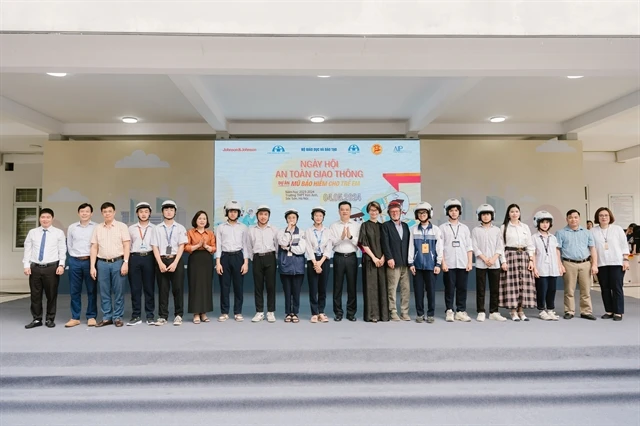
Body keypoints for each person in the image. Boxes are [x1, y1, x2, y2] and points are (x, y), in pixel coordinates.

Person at [23, 208, 66, 329]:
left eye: (48, 217)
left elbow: (62, 250)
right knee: (35, 295)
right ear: (39, 218)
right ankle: (37, 319)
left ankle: (50, 319)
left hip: (51, 268)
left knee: (51, 295)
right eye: (43, 217)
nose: (45, 219)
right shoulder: (33, 232)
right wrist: (26, 265)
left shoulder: (58, 233)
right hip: (35, 268)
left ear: (52, 219)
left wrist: (61, 265)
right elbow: (28, 249)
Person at [90, 202, 131, 328]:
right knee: (104, 292)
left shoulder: (121, 226)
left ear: (114, 212)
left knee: (118, 291)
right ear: (102, 213)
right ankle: (107, 317)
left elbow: (126, 245)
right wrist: (92, 266)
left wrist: (125, 262)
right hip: (102, 263)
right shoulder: (97, 228)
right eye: (104, 212)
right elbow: (94, 247)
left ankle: (117, 317)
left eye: (109, 211)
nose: (107, 213)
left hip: (118, 262)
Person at [555, 209, 598, 320]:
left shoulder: (586, 232)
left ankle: (586, 311)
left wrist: (594, 264)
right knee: (569, 290)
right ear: (567, 219)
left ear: (579, 219)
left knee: (586, 289)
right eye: (570, 217)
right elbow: (557, 250)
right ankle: (569, 310)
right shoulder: (560, 233)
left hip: (585, 263)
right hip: (569, 263)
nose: (573, 219)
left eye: (575, 217)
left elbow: (592, 248)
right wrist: (559, 264)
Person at [151, 200, 188, 326]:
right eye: (166, 209)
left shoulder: (180, 228)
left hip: (175, 259)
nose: (169, 212)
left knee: (178, 289)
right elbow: (155, 246)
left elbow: (182, 246)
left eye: (171, 210)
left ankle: (178, 315)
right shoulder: (157, 228)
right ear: (162, 212)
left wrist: (175, 262)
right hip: (161, 259)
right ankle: (162, 316)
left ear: (175, 212)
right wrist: (160, 263)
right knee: (163, 289)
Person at [591, 207, 630, 321]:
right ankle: (609, 310)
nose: (603, 217)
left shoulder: (617, 229)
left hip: (617, 262)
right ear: (597, 218)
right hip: (601, 263)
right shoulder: (593, 231)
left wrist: (626, 259)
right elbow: (592, 248)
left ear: (610, 217)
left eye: (606, 215)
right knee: (605, 288)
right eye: (601, 215)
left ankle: (618, 312)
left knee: (617, 287)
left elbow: (624, 245)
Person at [499, 203, 536, 321]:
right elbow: (501, 246)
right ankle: (513, 311)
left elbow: (530, 245)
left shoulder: (525, 227)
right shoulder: (504, 227)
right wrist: (503, 261)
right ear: (508, 214)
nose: (514, 214)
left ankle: (521, 311)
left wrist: (531, 260)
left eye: (516, 211)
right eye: (512, 211)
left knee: (523, 285)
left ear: (519, 213)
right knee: (512, 285)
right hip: (510, 256)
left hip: (524, 257)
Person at [471, 204, 507, 322]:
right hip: (481, 263)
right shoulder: (476, 230)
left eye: (488, 214)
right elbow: (474, 246)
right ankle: (481, 311)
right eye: (483, 214)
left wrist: (493, 258)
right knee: (480, 289)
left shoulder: (497, 230)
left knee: (494, 289)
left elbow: (500, 246)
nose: (486, 217)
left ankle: (494, 311)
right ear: (479, 216)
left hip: (494, 263)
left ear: (492, 216)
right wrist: (484, 258)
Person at [439, 198, 473, 322]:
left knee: (462, 288)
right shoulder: (442, 228)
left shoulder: (464, 228)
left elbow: (469, 247)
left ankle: (460, 311)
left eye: (456, 210)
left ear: (459, 212)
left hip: (463, 263)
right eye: (451, 210)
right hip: (449, 263)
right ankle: (449, 310)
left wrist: (469, 262)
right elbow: (440, 248)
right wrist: (443, 263)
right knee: (449, 288)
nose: (454, 213)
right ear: (447, 212)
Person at [408, 202, 443, 324]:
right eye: (419, 213)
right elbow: (411, 247)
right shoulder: (413, 230)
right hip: (417, 266)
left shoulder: (436, 230)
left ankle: (431, 314)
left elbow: (439, 248)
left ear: (429, 214)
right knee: (418, 292)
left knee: (431, 292)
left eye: (424, 212)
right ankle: (420, 313)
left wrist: (438, 264)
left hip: (431, 266)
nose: (422, 215)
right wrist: (411, 263)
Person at [215, 200, 249, 322]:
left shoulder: (243, 227)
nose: (233, 214)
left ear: (239, 213)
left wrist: (246, 263)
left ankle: (238, 312)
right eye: (231, 211)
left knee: (238, 286)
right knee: (224, 286)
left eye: (235, 212)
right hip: (224, 257)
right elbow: (218, 245)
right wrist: (218, 262)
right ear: (227, 213)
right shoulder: (220, 227)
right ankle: (224, 312)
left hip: (238, 256)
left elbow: (245, 245)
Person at [64, 203, 97, 328]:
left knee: (91, 290)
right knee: (74, 291)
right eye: (82, 211)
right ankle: (75, 317)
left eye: (87, 211)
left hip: (90, 261)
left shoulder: (96, 227)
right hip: (75, 261)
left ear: (91, 213)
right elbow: (69, 244)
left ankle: (91, 316)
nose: (84, 213)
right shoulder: (72, 227)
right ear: (78, 213)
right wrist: (73, 257)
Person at [328, 200, 360, 322]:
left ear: (350, 211)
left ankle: (351, 313)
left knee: (352, 286)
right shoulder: (334, 226)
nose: (345, 212)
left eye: (347, 209)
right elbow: (331, 243)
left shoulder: (356, 225)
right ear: (339, 211)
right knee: (337, 286)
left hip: (352, 257)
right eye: (342, 209)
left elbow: (359, 244)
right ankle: (338, 312)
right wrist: (341, 238)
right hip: (338, 257)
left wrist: (350, 237)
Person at [246, 205, 279, 323]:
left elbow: (277, 246)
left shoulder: (274, 229)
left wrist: (274, 258)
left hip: (270, 257)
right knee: (258, 286)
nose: (263, 217)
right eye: (261, 214)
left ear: (268, 216)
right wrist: (253, 258)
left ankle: (270, 312)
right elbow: (249, 246)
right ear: (257, 216)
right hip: (257, 259)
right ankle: (259, 312)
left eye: (265, 214)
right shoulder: (251, 229)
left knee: (271, 286)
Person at [358, 201, 389, 323]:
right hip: (370, 261)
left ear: (379, 211)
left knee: (382, 286)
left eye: (376, 210)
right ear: (368, 212)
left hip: (382, 261)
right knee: (371, 288)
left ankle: (384, 315)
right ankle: (372, 315)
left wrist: (383, 258)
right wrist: (374, 258)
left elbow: (387, 244)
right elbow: (364, 244)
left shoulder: (383, 227)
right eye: (371, 210)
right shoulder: (364, 225)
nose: (374, 212)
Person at [127, 202, 157, 326]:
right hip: (134, 258)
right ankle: (136, 315)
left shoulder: (155, 228)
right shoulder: (131, 228)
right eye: (141, 212)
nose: (143, 214)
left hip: (149, 257)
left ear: (149, 213)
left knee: (149, 288)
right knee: (135, 288)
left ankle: (150, 315)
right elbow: (128, 246)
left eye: (146, 211)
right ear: (137, 214)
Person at [381, 200, 411, 321]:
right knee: (392, 289)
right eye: (392, 212)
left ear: (400, 212)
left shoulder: (405, 226)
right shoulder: (386, 226)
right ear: (389, 213)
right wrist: (389, 258)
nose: (395, 213)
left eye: (397, 211)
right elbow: (385, 243)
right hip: (393, 263)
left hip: (405, 263)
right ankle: (393, 312)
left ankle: (404, 312)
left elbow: (409, 243)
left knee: (406, 289)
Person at [185, 210, 215, 324]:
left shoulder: (210, 233)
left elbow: (214, 248)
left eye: (204, 219)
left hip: (207, 260)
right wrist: (198, 245)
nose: (202, 220)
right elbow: (186, 247)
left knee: (206, 286)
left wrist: (206, 246)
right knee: (195, 285)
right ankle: (196, 313)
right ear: (195, 220)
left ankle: (204, 313)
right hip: (195, 259)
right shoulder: (190, 232)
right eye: (200, 218)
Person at [277, 209, 307, 323]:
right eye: (289, 218)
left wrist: (289, 248)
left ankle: (295, 312)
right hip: (285, 265)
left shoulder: (302, 232)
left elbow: (301, 249)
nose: (291, 220)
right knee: (287, 291)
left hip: (298, 266)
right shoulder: (281, 232)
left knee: (296, 291)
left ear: (297, 219)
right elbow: (282, 243)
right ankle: (288, 313)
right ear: (286, 220)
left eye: (293, 218)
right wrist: (288, 231)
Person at [532, 211, 562, 321]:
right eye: (543, 222)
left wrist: (560, 265)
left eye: (547, 222)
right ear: (537, 223)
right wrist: (535, 268)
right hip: (541, 268)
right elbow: (533, 254)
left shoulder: (553, 238)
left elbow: (556, 252)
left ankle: (550, 309)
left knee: (552, 289)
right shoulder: (534, 238)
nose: (545, 224)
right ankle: (541, 310)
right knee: (542, 290)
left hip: (553, 268)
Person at [304, 206, 332, 323]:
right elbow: (308, 247)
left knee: (322, 288)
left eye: (320, 216)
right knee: (313, 288)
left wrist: (320, 262)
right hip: (312, 260)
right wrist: (315, 263)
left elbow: (329, 247)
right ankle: (314, 312)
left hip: (324, 260)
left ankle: (321, 311)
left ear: (323, 217)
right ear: (312, 217)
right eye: (316, 215)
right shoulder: (308, 231)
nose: (318, 218)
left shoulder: (328, 231)